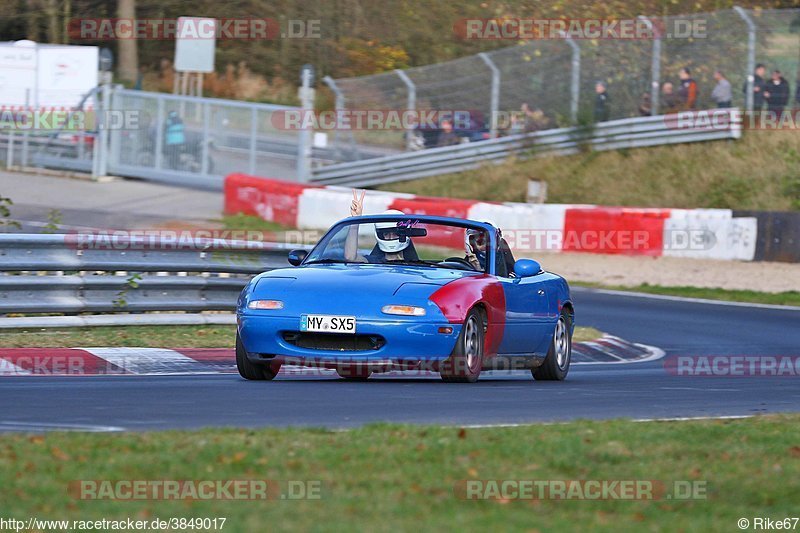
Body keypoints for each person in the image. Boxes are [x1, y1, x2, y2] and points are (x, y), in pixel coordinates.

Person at [343, 191, 418, 263]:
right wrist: (356, 220)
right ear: (381, 235)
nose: (390, 237)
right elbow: (350, 257)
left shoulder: (416, 266)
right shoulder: (375, 262)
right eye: (386, 233)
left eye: (396, 233)